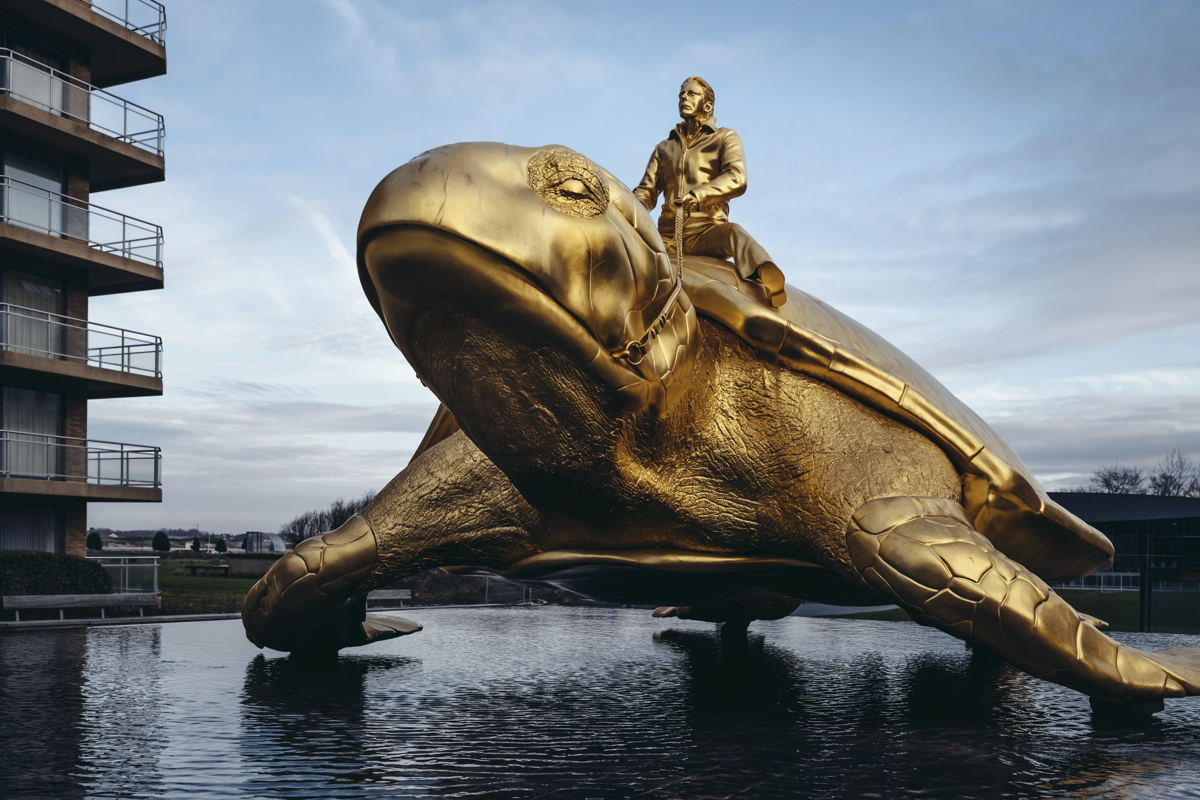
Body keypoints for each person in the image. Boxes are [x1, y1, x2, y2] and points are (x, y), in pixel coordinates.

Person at [633, 76, 786, 308]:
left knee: (734, 233)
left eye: (691, 93)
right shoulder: (664, 148)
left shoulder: (725, 137)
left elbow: (737, 177)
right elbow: (646, 191)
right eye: (681, 94)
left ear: (707, 105)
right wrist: (628, 206)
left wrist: (699, 195)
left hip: (707, 231)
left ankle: (766, 274)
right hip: (666, 238)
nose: (684, 97)